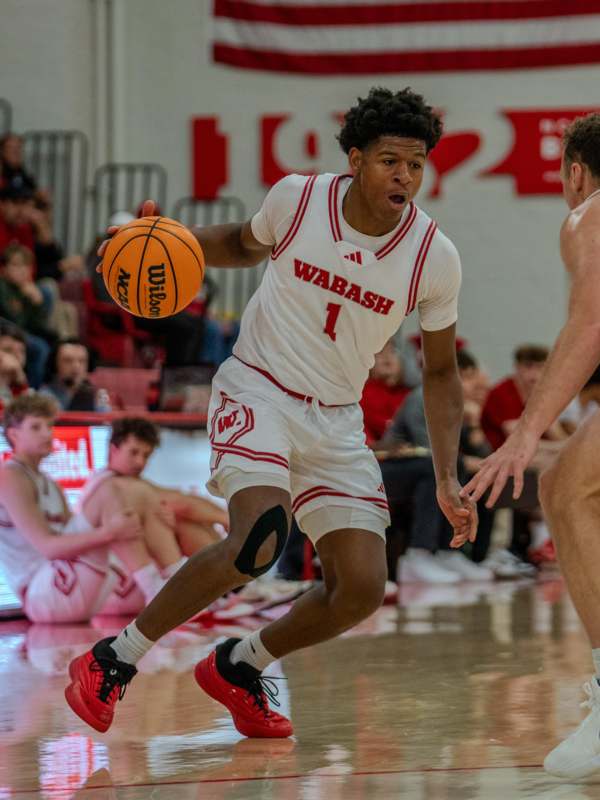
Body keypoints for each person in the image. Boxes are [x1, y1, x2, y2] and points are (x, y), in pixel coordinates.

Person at [65, 87, 477, 738]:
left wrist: (448, 474)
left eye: (416, 164)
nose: (405, 176)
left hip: (337, 418)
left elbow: (444, 370)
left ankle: (240, 663)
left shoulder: (435, 257)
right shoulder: (299, 199)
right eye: (390, 161)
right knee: (259, 537)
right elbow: (239, 241)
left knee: (363, 588)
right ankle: (116, 657)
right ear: (355, 159)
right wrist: (159, 237)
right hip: (259, 388)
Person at [461, 112, 600, 780]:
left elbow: (593, 318)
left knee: (563, 489)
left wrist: (522, 436)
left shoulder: (589, 213)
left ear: (575, 171)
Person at [0, 393, 150, 623]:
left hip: (64, 581)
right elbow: (48, 548)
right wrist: (109, 533)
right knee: (108, 491)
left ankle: (161, 584)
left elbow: (75, 537)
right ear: (13, 434)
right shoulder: (10, 476)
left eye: (49, 426)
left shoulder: (50, 483)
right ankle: (156, 585)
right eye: (36, 427)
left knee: (138, 509)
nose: (47, 433)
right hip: (39, 592)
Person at [385, 349, 494, 580]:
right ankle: (418, 554)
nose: (476, 389)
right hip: (390, 468)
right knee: (437, 470)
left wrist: (473, 424)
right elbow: (429, 451)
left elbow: (483, 454)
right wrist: (472, 462)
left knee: (472, 472)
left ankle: (449, 552)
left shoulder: (456, 404)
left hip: (420, 467)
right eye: (473, 381)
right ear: (460, 374)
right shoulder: (421, 397)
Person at [79, 416, 227, 563]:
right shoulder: (111, 483)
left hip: (130, 564)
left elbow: (180, 497)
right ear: (114, 449)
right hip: (113, 565)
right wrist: (228, 520)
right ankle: (229, 575)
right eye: (134, 452)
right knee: (181, 519)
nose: (140, 462)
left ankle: (230, 576)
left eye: (146, 455)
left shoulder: (128, 480)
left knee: (182, 516)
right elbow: (184, 505)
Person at [40, 339, 100, 411]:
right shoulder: (43, 397)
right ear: (54, 365)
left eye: (82, 361)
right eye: (68, 360)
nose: (76, 366)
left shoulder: (95, 396)